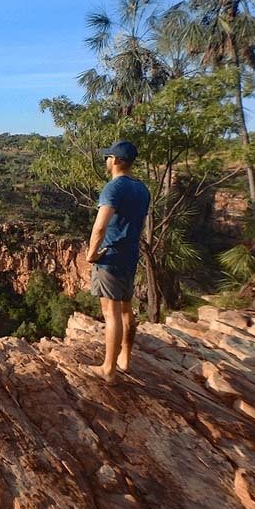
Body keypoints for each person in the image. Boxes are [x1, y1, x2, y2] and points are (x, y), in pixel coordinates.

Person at [84, 140, 150, 384]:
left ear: (118, 161)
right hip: (130, 254)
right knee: (125, 309)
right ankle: (125, 359)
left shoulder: (113, 188)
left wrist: (92, 253)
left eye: (108, 157)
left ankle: (108, 370)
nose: (106, 160)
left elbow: (100, 226)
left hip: (110, 256)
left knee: (110, 313)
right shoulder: (142, 188)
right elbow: (139, 223)